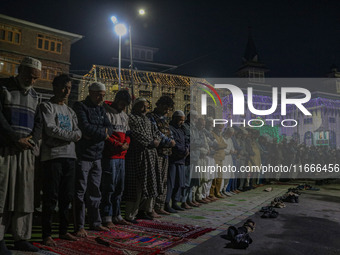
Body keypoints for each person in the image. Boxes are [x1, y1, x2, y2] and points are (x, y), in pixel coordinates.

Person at [0, 57, 42, 254]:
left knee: (24, 196)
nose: (32, 81)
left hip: (25, 150)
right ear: (19, 70)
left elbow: (39, 125)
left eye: (35, 78)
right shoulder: (4, 88)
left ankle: (21, 237)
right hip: (5, 149)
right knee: (2, 194)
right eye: (29, 76)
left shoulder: (35, 96)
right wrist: (15, 138)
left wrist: (31, 140)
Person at [40, 74, 82, 246]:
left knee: (67, 196)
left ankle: (63, 231)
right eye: (64, 87)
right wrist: (71, 136)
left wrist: (66, 136)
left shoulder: (70, 111)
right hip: (53, 157)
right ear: (55, 87)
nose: (67, 91)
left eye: (70, 88)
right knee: (51, 197)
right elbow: (50, 129)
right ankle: (46, 234)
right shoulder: (46, 106)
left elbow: (79, 133)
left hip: (70, 157)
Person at [73, 82, 113, 237]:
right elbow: (84, 127)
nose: (101, 98)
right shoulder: (81, 106)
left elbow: (109, 127)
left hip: (97, 156)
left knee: (95, 191)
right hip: (83, 156)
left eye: (103, 96)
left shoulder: (101, 109)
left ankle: (95, 222)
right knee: (80, 192)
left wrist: (99, 133)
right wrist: (103, 134)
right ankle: (80, 226)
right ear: (90, 92)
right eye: (98, 95)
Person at [124, 98, 160, 223]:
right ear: (135, 106)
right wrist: (150, 142)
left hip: (150, 155)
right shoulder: (131, 118)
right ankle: (130, 215)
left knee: (150, 183)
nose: (144, 109)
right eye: (141, 106)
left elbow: (157, 133)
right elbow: (136, 134)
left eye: (146, 106)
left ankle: (144, 211)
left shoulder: (148, 119)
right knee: (137, 186)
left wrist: (156, 140)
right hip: (137, 156)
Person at [101, 89, 132, 227]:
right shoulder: (106, 112)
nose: (123, 106)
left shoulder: (124, 115)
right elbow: (105, 134)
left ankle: (117, 214)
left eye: (125, 104)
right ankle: (106, 216)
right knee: (109, 187)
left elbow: (128, 133)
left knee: (119, 187)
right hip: (110, 155)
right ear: (116, 99)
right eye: (122, 103)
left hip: (122, 156)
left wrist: (126, 143)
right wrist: (117, 144)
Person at [146, 96, 176, 216]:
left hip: (166, 154)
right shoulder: (151, 117)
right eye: (165, 107)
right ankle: (150, 208)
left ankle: (160, 205)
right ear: (159, 104)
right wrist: (169, 141)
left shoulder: (165, 120)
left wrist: (171, 140)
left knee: (163, 181)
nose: (166, 110)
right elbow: (156, 133)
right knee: (155, 181)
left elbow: (170, 133)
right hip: (156, 154)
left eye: (168, 108)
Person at [165, 110, 189, 213]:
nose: (182, 122)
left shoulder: (182, 130)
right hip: (173, 159)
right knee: (171, 183)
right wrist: (184, 151)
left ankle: (175, 202)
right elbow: (174, 144)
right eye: (180, 120)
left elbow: (187, 141)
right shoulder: (170, 129)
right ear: (174, 118)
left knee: (179, 182)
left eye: (183, 120)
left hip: (181, 160)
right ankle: (167, 203)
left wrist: (187, 149)